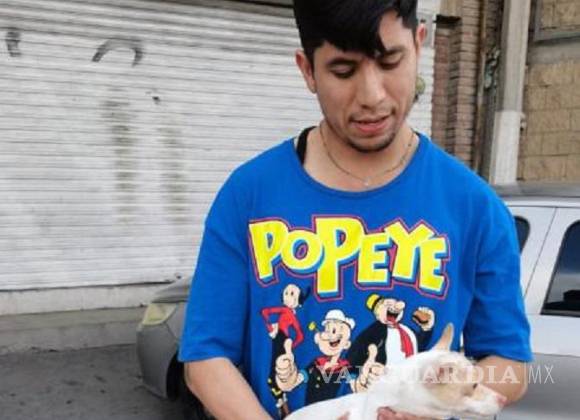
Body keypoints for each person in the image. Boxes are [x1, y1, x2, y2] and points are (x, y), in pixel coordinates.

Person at [178, 1, 532, 419]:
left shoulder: (474, 205)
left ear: (419, 46)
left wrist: (437, 401)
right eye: (343, 71)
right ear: (308, 70)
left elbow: (512, 366)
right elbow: (205, 359)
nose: (372, 96)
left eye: (390, 62)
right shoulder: (250, 194)